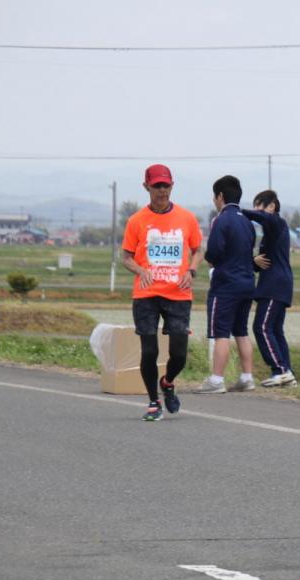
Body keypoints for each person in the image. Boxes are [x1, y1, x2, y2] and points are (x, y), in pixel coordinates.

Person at [120, 164, 204, 421]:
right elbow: (126, 256)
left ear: (172, 186)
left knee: (179, 354)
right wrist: (139, 270)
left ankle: (167, 382)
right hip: (146, 294)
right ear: (146, 187)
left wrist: (191, 271)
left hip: (178, 294)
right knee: (149, 352)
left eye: (165, 185)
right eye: (156, 186)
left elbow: (199, 250)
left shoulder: (186, 218)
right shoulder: (137, 220)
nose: (161, 190)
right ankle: (153, 402)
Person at [196, 175, 257, 394]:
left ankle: (216, 380)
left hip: (226, 284)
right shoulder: (247, 222)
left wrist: (210, 259)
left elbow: (213, 252)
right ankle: (247, 377)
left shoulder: (220, 220)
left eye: (215, 196)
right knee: (241, 330)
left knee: (221, 332)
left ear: (220, 196)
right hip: (247, 281)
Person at [242, 189, 296, 387]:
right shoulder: (271, 231)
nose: (257, 211)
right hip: (279, 285)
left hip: (274, 286)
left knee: (261, 327)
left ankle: (279, 369)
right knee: (275, 329)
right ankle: (287, 372)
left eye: (260, 207)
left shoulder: (276, 222)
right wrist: (254, 261)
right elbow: (263, 262)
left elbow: (260, 216)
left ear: (272, 206)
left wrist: (236, 211)